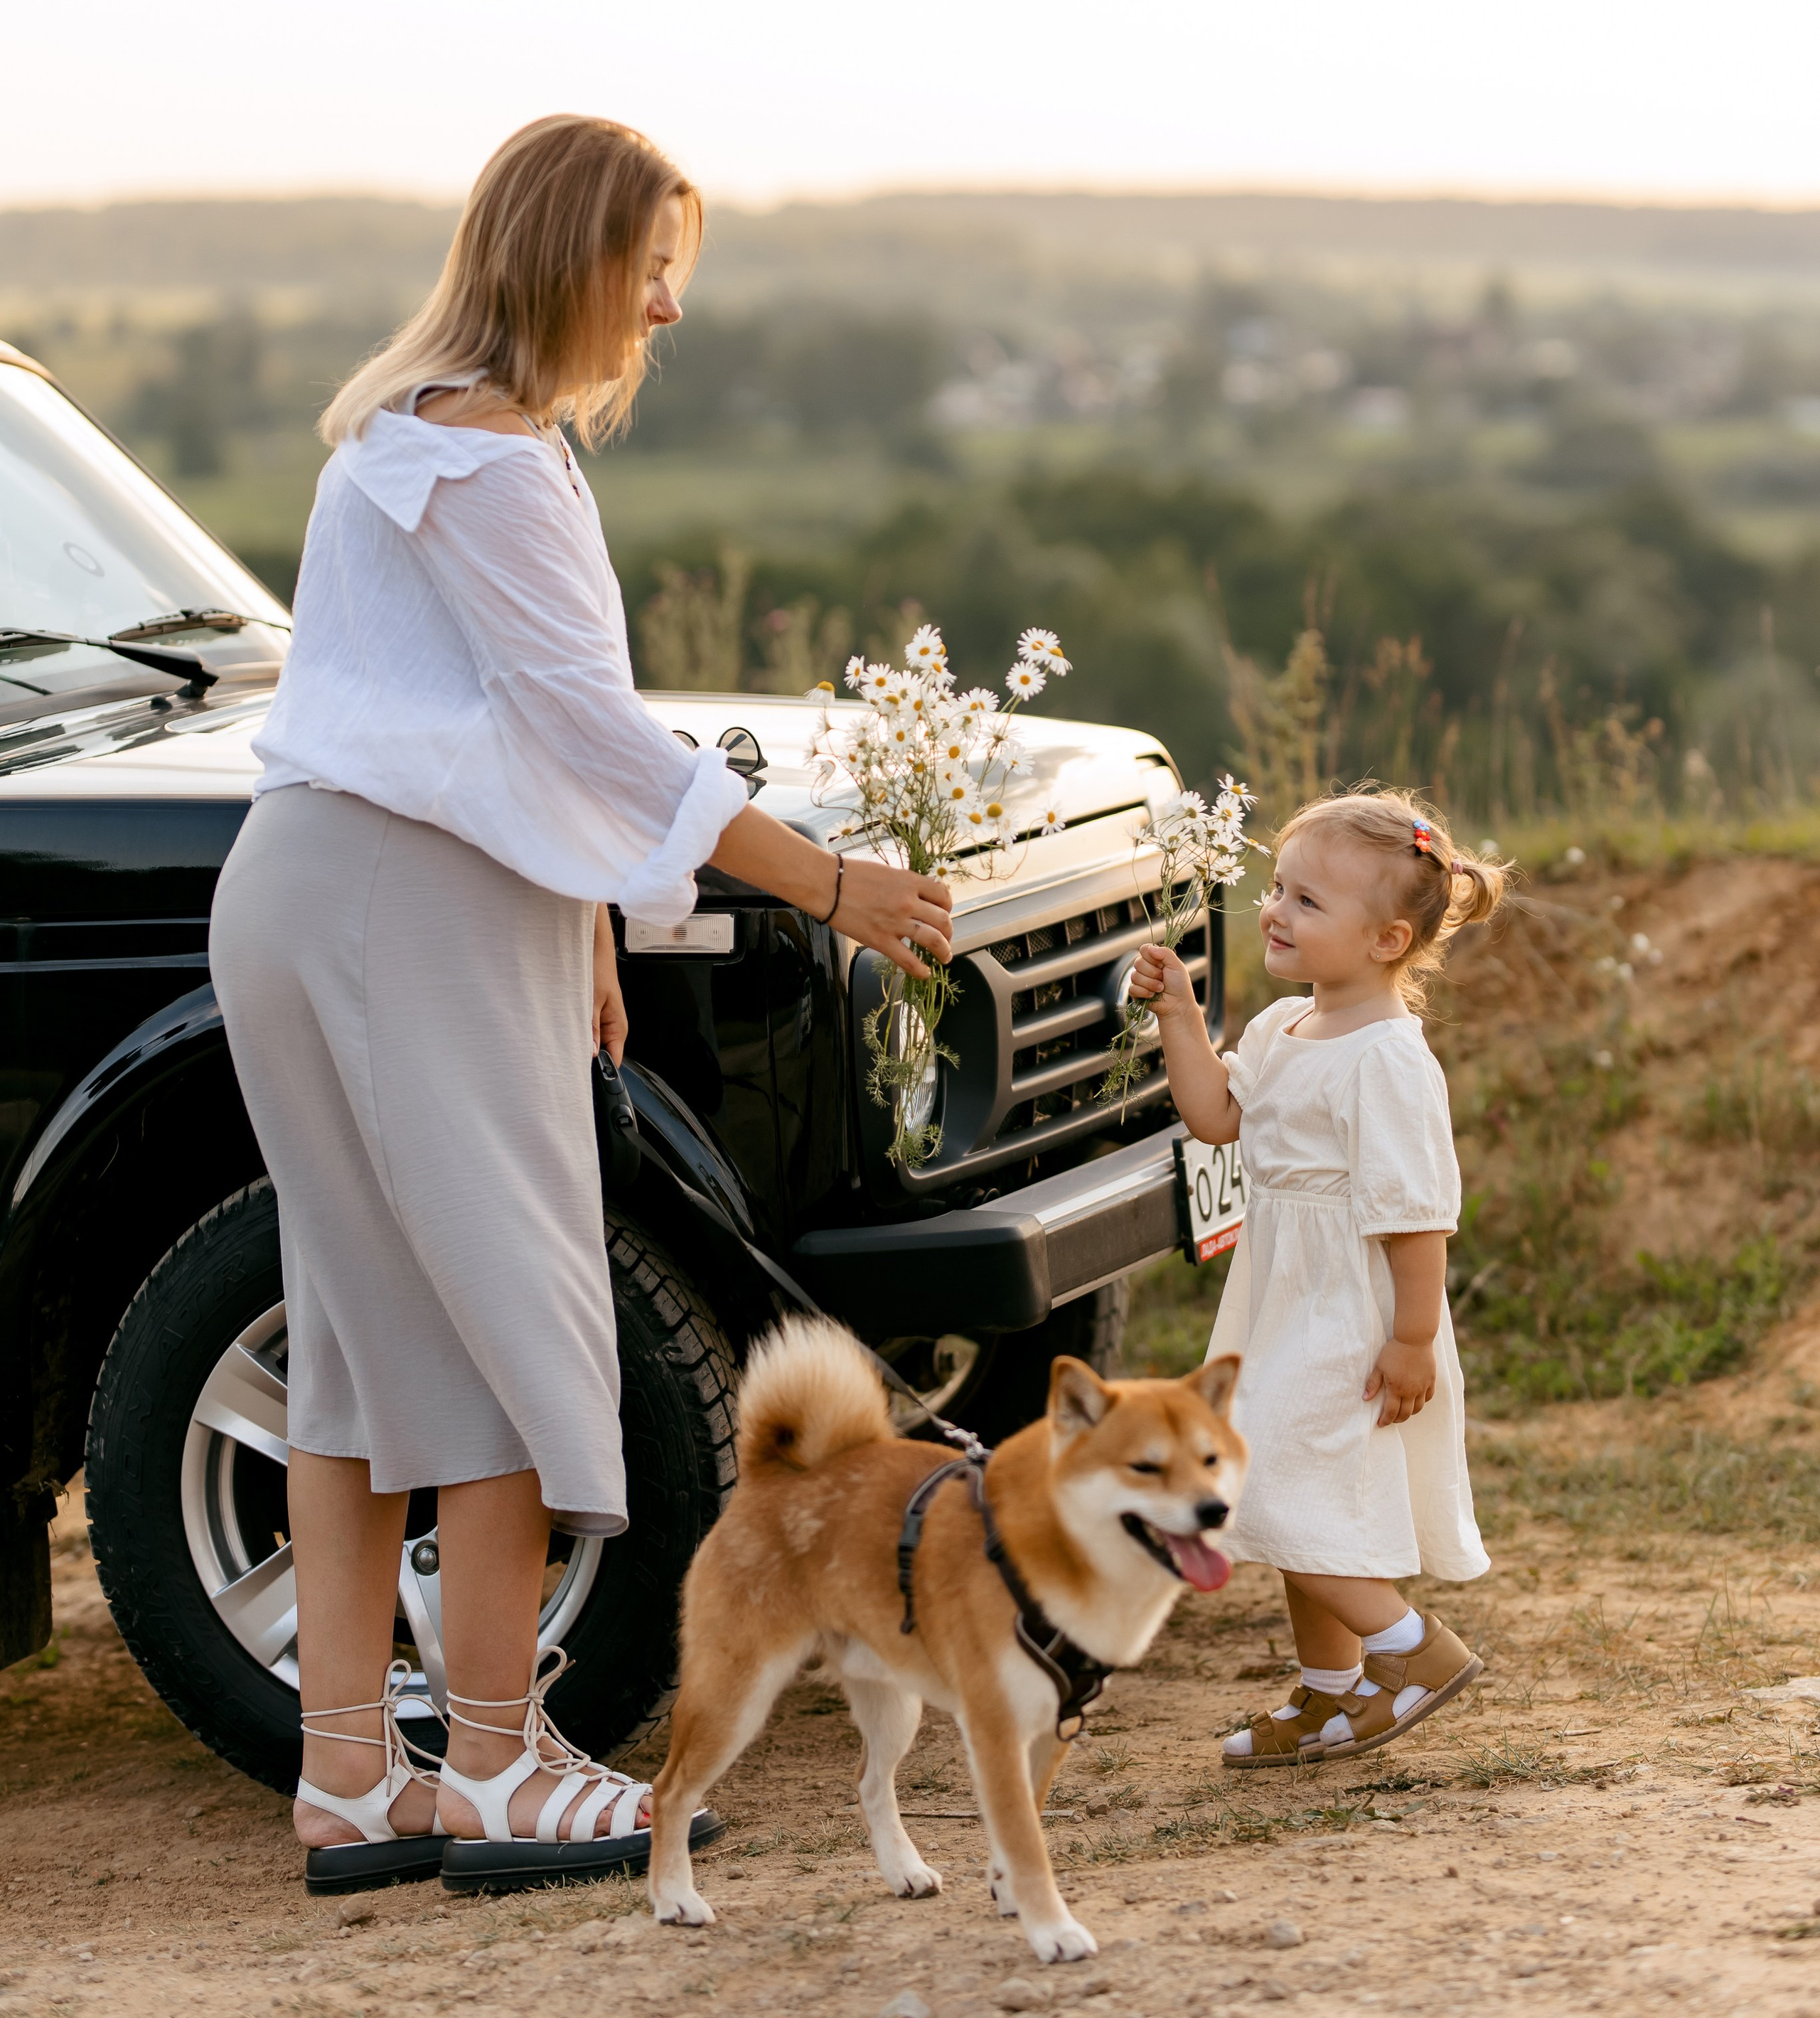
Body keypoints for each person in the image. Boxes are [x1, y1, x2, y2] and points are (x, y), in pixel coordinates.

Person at [208, 113, 953, 1889]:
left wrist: (596, 926)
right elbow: (590, 733)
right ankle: (494, 1768)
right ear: (570, 263)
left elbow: (449, 715)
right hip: (411, 911)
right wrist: (830, 882)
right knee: (499, 1331)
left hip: (307, 884)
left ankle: (353, 1780)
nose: (668, 310)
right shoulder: (496, 460)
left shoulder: (400, 437)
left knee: (365, 1343)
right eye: (652, 267)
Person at [1126, 789, 1504, 1766]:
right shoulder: (1282, 1028)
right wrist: (1180, 1016)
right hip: (1278, 1299)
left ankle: (1412, 1651)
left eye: (1308, 902)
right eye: (1278, 890)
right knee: (1306, 1502)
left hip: (1352, 1310)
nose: (1277, 913)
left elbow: (1418, 1214)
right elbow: (1216, 1116)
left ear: (1386, 939)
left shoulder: (1388, 1060)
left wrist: (1413, 1337)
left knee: (1261, 1484)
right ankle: (1332, 1693)